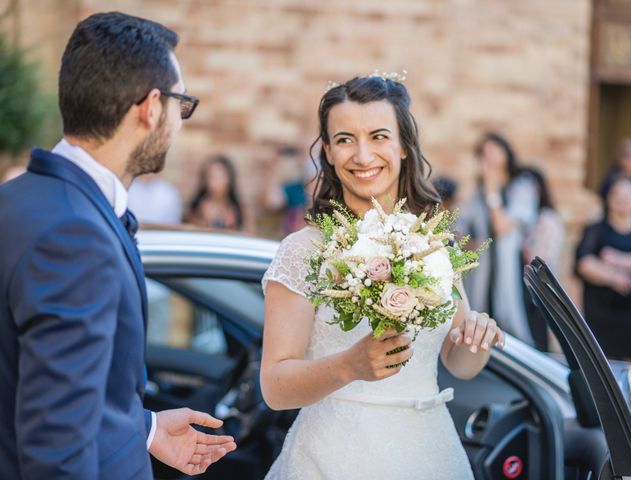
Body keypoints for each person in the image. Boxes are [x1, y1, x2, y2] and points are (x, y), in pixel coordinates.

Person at [0, 12, 235, 479]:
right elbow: (56, 447)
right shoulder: (74, 235)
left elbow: (34, 389)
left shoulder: (19, 198)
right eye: (181, 105)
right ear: (151, 107)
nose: (179, 122)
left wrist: (143, 429)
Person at [260, 74, 505, 479]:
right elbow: (274, 386)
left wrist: (477, 338)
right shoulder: (302, 250)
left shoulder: (431, 243)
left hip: (429, 452)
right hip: (334, 457)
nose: (362, 155)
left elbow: (459, 364)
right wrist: (349, 366)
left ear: (404, 147)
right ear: (328, 152)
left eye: (377, 136)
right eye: (344, 140)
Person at [457, 132, 538, 345]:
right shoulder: (477, 192)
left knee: (516, 328)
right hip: (482, 273)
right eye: (484, 153)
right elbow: (462, 230)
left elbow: (501, 226)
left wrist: (492, 191)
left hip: (513, 272)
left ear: (506, 154)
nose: (489, 158)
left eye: (494, 151)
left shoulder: (522, 187)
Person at [576, 175, 631, 361]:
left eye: (628, 195)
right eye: (617, 196)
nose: (623, 201)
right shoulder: (596, 230)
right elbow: (583, 263)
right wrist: (613, 277)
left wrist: (617, 259)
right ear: (607, 199)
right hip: (602, 315)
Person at [521, 166, 564, 351]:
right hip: (526, 289)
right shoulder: (528, 217)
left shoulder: (547, 219)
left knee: (538, 339)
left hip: (539, 288)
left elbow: (541, 258)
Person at [186, 154, 253, 232]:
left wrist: (232, 226)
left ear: (230, 179)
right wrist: (203, 222)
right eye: (212, 176)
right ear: (205, 180)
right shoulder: (197, 208)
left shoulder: (240, 211)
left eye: (220, 176)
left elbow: (249, 235)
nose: (216, 182)